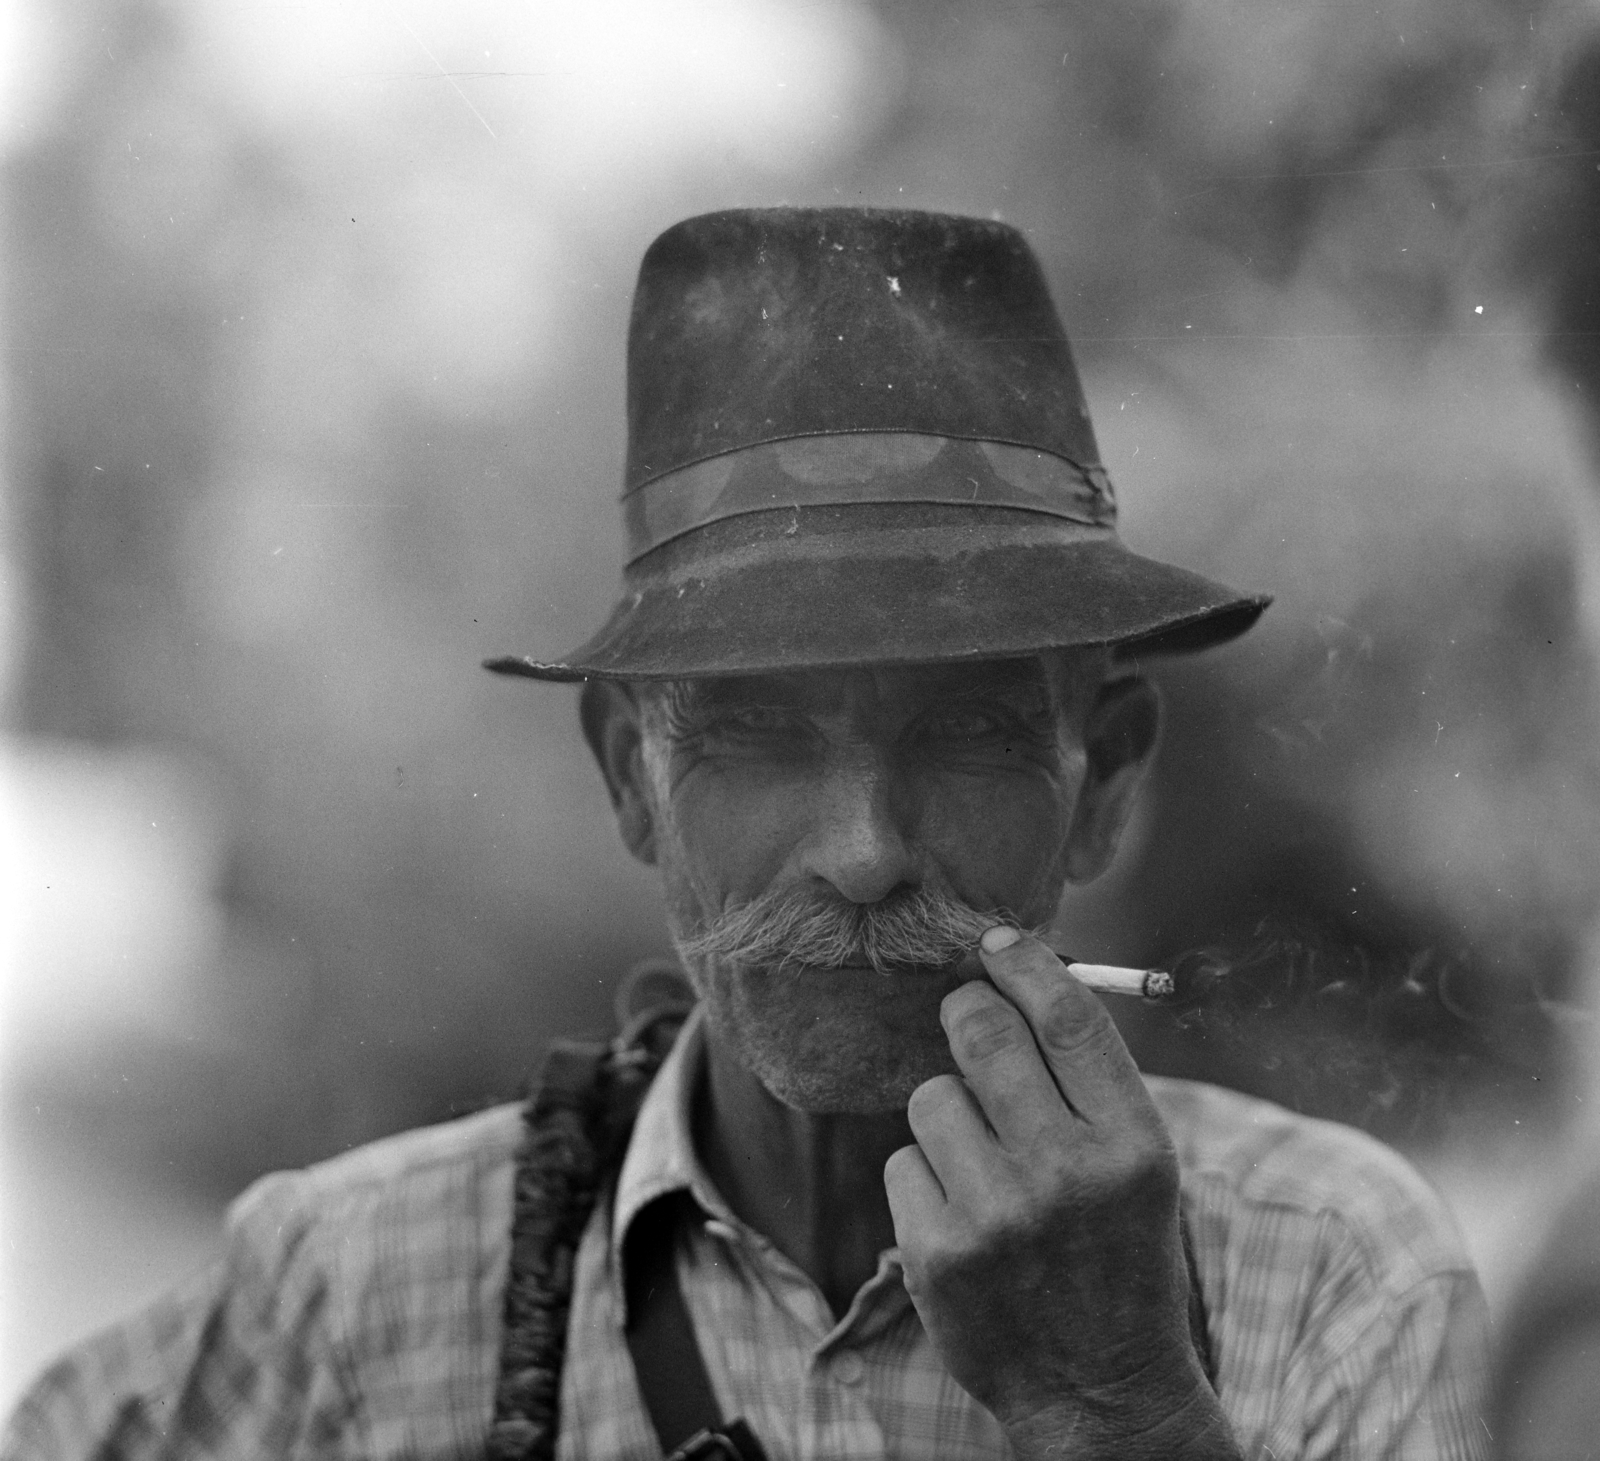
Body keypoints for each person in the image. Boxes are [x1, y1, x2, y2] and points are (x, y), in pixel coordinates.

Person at [3, 207, 1489, 1461]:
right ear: (633, 780)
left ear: (1100, 779)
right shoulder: (347, 1292)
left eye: (966, 732)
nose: (860, 850)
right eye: (759, 736)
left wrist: (1107, 1402)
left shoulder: (1328, 1283)